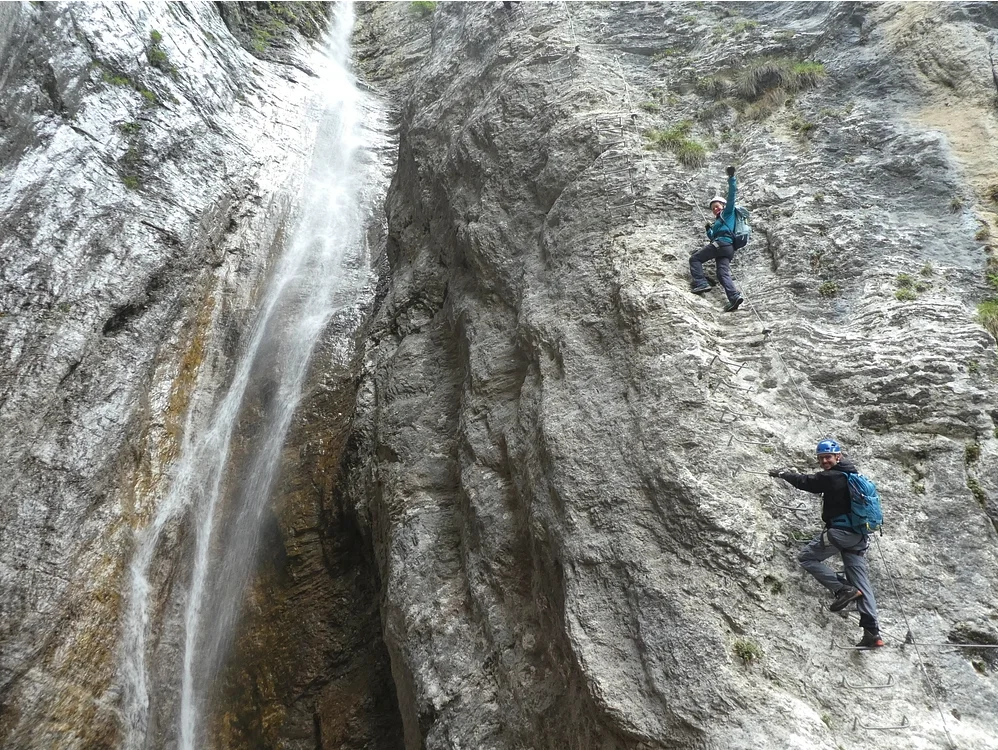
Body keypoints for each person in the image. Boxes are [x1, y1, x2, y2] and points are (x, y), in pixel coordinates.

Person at [768, 439, 884, 649]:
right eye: (821, 458)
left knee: (807, 557)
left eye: (828, 457)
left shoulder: (835, 476)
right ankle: (872, 633)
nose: (824, 461)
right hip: (859, 535)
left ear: (838, 456)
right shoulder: (853, 475)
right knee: (862, 584)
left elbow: (808, 482)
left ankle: (843, 589)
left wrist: (783, 474)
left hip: (840, 533)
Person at [690, 165, 744, 312]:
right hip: (727, 249)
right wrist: (709, 229)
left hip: (722, 245)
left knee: (695, 259)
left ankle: (701, 283)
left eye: (717, 206)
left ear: (724, 206)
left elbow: (732, 195)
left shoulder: (728, 213)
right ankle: (733, 297)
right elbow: (713, 237)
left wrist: (732, 178)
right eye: (713, 208)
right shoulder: (719, 222)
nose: (715, 209)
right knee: (722, 273)